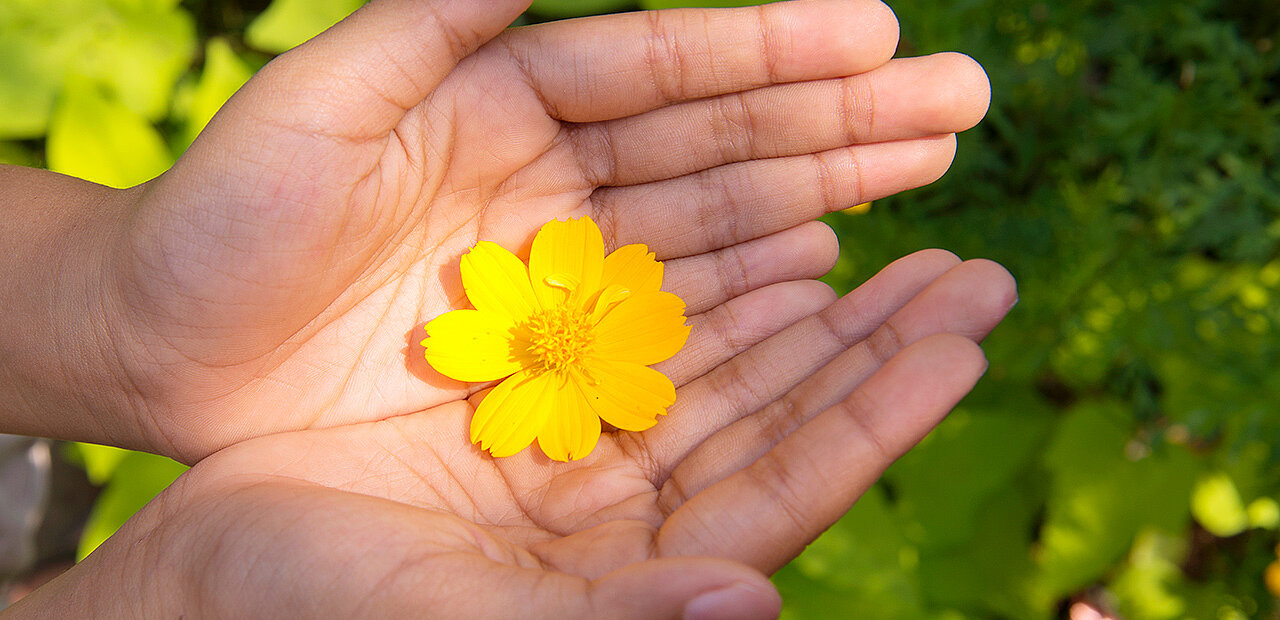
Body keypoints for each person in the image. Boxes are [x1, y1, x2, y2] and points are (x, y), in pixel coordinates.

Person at [0, 0, 1015, 616]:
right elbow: (510, 313)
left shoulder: (595, 348)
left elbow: (618, 322)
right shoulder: (518, 332)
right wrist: (117, 313)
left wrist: (110, 304)